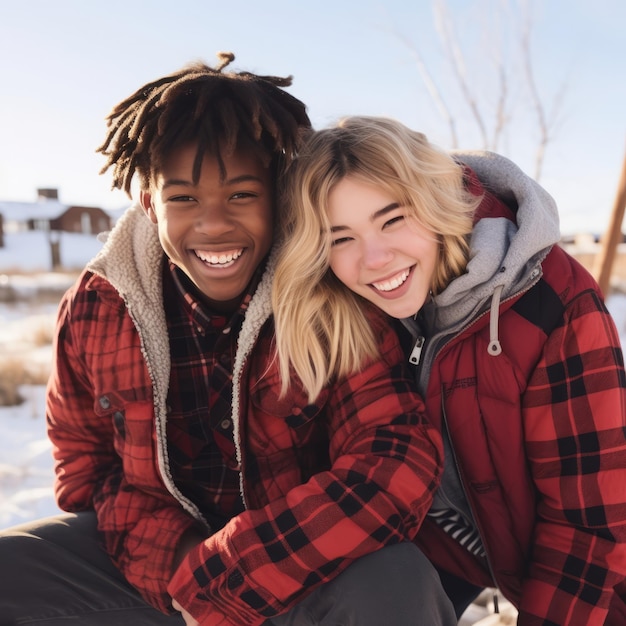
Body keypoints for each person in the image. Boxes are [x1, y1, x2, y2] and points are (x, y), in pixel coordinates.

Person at [0, 59, 453, 626]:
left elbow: (395, 460)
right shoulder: (97, 307)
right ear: (148, 203)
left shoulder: (328, 297)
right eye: (184, 199)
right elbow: (85, 474)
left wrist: (235, 572)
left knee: (397, 579)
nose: (213, 224)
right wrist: (184, 565)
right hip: (160, 579)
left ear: (277, 196)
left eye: (241, 195)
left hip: (301, 574)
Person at [273, 115, 626, 625]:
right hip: (453, 549)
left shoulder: (548, 298)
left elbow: (589, 525)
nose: (374, 258)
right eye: (340, 237)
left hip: (591, 569)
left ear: (437, 202)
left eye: (393, 219)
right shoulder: (355, 311)